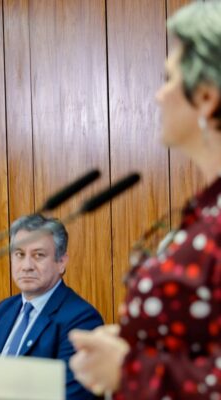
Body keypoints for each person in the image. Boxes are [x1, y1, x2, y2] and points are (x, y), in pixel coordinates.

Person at [69, 2, 221, 399]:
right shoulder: (205, 207)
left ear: (207, 96)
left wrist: (129, 369)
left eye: (168, 79)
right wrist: (136, 341)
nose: (158, 95)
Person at [0, 214, 103, 400]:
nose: (27, 266)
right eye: (19, 254)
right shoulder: (3, 311)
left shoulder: (82, 319)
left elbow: (70, 396)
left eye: (38, 255)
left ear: (61, 262)